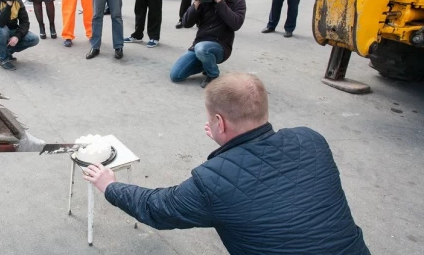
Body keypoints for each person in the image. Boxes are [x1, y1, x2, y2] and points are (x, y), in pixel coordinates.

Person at [83, 72, 371, 255]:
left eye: (211, 119)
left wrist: (110, 186)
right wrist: (228, 145)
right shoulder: (311, 140)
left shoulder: (212, 182)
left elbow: (157, 208)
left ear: (219, 122)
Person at [170, 0, 245, 88]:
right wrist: (197, 1)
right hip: (199, 45)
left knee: (202, 49)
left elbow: (236, 24)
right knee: (176, 75)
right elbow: (186, 23)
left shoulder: (238, 1)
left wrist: (220, 3)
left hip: (221, 47)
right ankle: (206, 63)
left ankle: (213, 74)